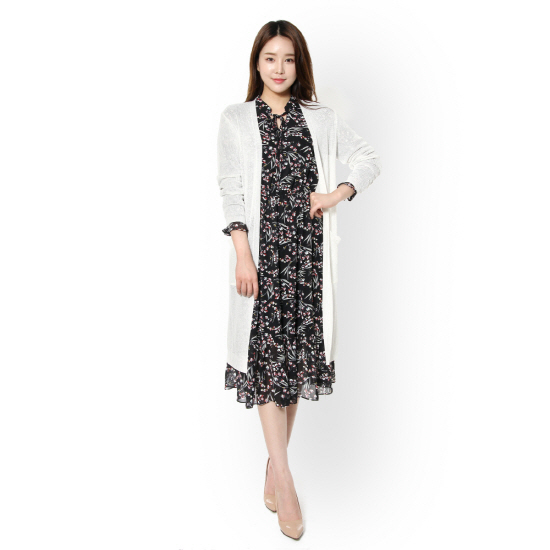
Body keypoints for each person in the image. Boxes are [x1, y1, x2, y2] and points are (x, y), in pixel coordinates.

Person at [216, 20, 381, 540]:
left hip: (307, 262)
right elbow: (231, 189)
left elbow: (368, 159)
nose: (279, 68)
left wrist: (336, 195)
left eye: (288, 59)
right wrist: (243, 255)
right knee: (267, 367)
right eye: (270, 58)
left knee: (293, 368)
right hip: (264, 261)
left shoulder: (321, 118)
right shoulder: (236, 119)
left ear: (299, 63)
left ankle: (273, 463)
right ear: (257, 63)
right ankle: (284, 479)